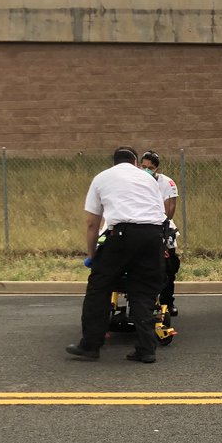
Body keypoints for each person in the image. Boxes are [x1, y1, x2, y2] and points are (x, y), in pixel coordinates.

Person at [67, 147, 167, 363]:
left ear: (114, 162)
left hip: (122, 234)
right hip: (152, 236)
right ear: (135, 162)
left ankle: (90, 346)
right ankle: (146, 349)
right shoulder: (148, 179)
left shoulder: (102, 178)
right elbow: (161, 214)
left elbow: (92, 223)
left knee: (99, 286)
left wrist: (94, 256)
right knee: (143, 291)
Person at [141, 150, 180, 315]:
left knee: (169, 266)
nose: (146, 170)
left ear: (156, 168)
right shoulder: (136, 181)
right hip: (141, 225)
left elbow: (169, 210)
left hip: (162, 226)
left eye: (149, 167)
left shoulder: (167, 183)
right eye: (143, 166)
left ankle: (167, 302)